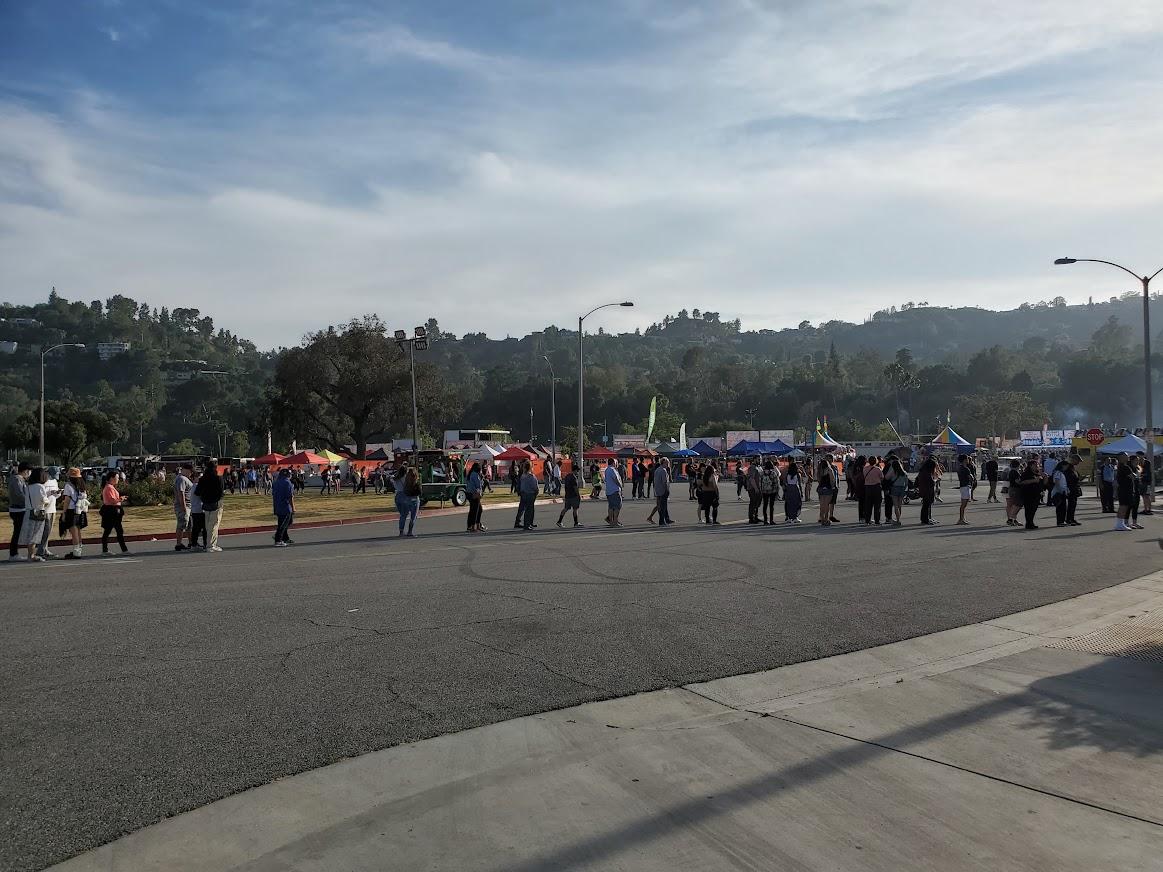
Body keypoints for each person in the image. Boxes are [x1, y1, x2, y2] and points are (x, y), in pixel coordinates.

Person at [195, 459, 225, 553]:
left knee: (208, 525)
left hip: (206, 504)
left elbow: (197, 492)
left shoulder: (202, 479)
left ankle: (208, 543)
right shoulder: (218, 478)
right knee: (214, 524)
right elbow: (221, 492)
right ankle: (211, 545)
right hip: (216, 503)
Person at [99, 469, 130, 556]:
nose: (118, 479)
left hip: (112, 511)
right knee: (115, 531)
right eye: (117, 478)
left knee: (111, 531)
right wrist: (121, 499)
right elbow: (112, 500)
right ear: (112, 478)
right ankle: (122, 550)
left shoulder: (110, 487)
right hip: (111, 511)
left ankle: (108, 550)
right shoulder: (109, 487)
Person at [60, 467, 89, 559]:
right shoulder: (82, 485)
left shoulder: (68, 486)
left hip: (71, 510)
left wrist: (64, 512)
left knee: (74, 532)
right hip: (80, 510)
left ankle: (76, 552)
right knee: (78, 530)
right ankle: (79, 550)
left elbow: (67, 500)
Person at [36, 466, 62, 558]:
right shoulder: (43, 481)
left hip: (52, 508)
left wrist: (58, 493)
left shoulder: (54, 481)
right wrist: (50, 493)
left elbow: (56, 496)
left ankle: (45, 549)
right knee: (45, 531)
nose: (55, 477)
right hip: (45, 509)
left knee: (49, 531)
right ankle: (41, 550)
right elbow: (41, 494)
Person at [8, 461, 30, 561]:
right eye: (29, 471)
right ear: (25, 471)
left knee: (18, 532)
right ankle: (13, 554)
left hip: (19, 508)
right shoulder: (17, 479)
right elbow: (19, 494)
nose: (29, 473)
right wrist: (28, 501)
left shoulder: (20, 479)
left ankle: (14, 553)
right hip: (17, 509)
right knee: (17, 532)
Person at [271, 468, 296, 546]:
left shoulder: (276, 482)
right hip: (285, 506)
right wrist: (293, 507)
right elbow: (290, 497)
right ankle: (278, 539)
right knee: (283, 523)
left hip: (278, 505)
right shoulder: (288, 483)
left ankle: (285, 538)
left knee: (286, 521)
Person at [1017, 458, 1044, 530]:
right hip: (1028, 493)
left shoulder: (1037, 473)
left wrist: (1045, 478)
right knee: (1029, 509)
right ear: (1031, 465)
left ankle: (1031, 522)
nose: (1037, 466)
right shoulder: (1026, 473)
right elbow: (1022, 482)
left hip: (1036, 494)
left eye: (1038, 465)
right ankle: (1028, 523)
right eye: (1036, 465)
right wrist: (1034, 480)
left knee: (1033, 509)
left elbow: (1041, 483)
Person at [173, 462, 194, 551]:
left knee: (189, 525)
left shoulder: (184, 479)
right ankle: (178, 543)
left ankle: (191, 542)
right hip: (183, 506)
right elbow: (181, 493)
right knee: (182, 524)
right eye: (191, 471)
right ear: (187, 470)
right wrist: (183, 507)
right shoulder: (181, 479)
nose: (191, 474)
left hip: (189, 505)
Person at [398, 466, 421, 536]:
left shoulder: (406, 482)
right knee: (413, 517)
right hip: (415, 499)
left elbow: (405, 491)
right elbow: (419, 492)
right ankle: (410, 532)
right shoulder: (416, 483)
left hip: (406, 499)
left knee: (403, 515)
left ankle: (401, 531)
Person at [1114, 455, 1136, 532]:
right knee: (1124, 506)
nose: (1128, 457)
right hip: (1125, 490)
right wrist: (1137, 473)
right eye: (1126, 456)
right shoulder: (1125, 467)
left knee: (1123, 506)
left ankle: (1120, 523)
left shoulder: (1120, 467)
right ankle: (1120, 524)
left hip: (1123, 489)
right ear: (1121, 458)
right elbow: (1133, 476)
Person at [516, 460, 539, 530]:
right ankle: (527, 524)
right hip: (530, 494)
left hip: (524, 493)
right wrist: (536, 491)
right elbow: (534, 486)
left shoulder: (523, 476)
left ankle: (528, 523)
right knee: (529, 510)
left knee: (527, 509)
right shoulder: (531, 476)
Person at [189, 468, 207, 551]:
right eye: (199, 478)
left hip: (196, 509)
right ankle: (198, 544)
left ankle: (194, 543)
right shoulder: (196, 486)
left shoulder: (194, 486)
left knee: (197, 528)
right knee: (200, 528)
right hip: (198, 509)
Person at [917, 452, 938, 526]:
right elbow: (931, 481)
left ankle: (928, 518)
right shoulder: (926, 472)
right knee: (926, 505)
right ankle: (925, 519)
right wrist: (935, 479)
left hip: (926, 490)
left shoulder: (923, 471)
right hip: (927, 490)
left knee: (927, 505)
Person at [886, 456, 908, 526]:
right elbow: (906, 483)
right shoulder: (904, 473)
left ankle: (897, 520)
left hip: (894, 488)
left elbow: (886, 477)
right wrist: (904, 488)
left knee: (895, 505)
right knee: (899, 505)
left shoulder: (893, 472)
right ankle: (898, 519)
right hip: (902, 489)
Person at [816, 458, 837, 526]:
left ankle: (822, 519)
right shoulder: (829, 470)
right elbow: (832, 480)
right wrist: (832, 486)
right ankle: (826, 519)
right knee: (826, 505)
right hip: (828, 488)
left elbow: (818, 480)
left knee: (822, 505)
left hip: (821, 488)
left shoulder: (819, 470)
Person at [863, 456, 883, 526]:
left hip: (868, 487)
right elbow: (882, 477)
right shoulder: (878, 469)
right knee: (877, 505)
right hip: (876, 487)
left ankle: (867, 520)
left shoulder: (865, 469)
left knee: (868, 505)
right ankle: (877, 520)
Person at [653, 457, 673, 526]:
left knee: (662, 506)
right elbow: (665, 482)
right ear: (663, 463)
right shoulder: (663, 470)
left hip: (658, 490)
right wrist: (667, 490)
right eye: (667, 463)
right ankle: (662, 522)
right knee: (663, 507)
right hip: (663, 490)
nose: (668, 464)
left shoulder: (657, 470)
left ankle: (666, 519)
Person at [603, 457, 623, 527]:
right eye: (615, 462)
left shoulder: (606, 470)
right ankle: (615, 521)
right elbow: (616, 479)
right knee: (618, 506)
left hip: (609, 490)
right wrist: (620, 486)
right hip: (615, 490)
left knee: (611, 506)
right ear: (613, 463)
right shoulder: (612, 470)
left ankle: (611, 521)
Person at [1050, 460, 1070, 527]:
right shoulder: (1058, 473)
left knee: (1064, 507)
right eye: (1066, 466)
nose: (1067, 468)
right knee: (1060, 508)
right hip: (1059, 492)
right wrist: (1061, 490)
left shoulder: (1061, 473)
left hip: (1063, 491)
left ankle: (1062, 520)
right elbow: (1057, 482)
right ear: (1063, 465)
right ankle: (1060, 521)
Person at [465, 462, 484, 533]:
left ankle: (470, 526)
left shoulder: (470, 474)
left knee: (474, 510)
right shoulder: (475, 475)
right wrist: (481, 478)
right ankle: (474, 527)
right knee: (476, 510)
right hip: (474, 494)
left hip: (469, 493)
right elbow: (478, 485)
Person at [782, 460, 803, 524]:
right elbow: (799, 484)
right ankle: (795, 517)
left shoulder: (787, 474)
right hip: (795, 488)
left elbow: (784, 482)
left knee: (789, 503)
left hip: (789, 488)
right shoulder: (798, 474)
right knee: (796, 503)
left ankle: (788, 516)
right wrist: (801, 492)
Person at [1004, 458, 1023, 527]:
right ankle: (1011, 519)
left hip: (1012, 489)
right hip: (1015, 489)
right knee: (1017, 504)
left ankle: (1013, 519)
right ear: (1018, 465)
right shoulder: (1014, 472)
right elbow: (1017, 481)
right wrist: (1023, 482)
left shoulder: (1011, 471)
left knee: (1013, 504)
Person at [1064, 457, 1082, 526]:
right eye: (1078, 461)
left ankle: (1071, 518)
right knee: (1071, 505)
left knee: (1073, 504)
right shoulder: (1068, 468)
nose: (1078, 462)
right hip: (1071, 489)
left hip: (1074, 488)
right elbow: (1069, 478)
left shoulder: (1073, 468)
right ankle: (1069, 519)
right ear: (1074, 460)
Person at [956, 454, 973, 525]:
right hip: (965, 486)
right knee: (964, 504)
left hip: (964, 486)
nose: (968, 460)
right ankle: (961, 519)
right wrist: (971, 477)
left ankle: (962, 518)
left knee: (964, 503)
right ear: (964, 460)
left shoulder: (960, 468)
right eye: (967, 459)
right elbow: (971, 477)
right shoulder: (966, 469)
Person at [760, 459, 779, 525]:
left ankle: (765, 520)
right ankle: (771, 520)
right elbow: (776, 483)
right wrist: (777, 491)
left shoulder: (762, 473)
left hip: (764, 491)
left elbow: (760, 483)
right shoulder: (773, 473)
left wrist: (761, 490)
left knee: (765, 506)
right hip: (772, 491)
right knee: (771, 506)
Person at [745, 457, 762, 524]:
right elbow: (751, 479)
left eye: (760, 459)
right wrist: (756, 488)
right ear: (754, 459)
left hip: (759, 487)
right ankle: (751, 518)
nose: (760, 460)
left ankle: (756, 517)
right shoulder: (752, 467)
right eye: (758, 459)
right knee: (753, 503)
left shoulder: (759, 467)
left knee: (757, 503)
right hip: (753, 488)